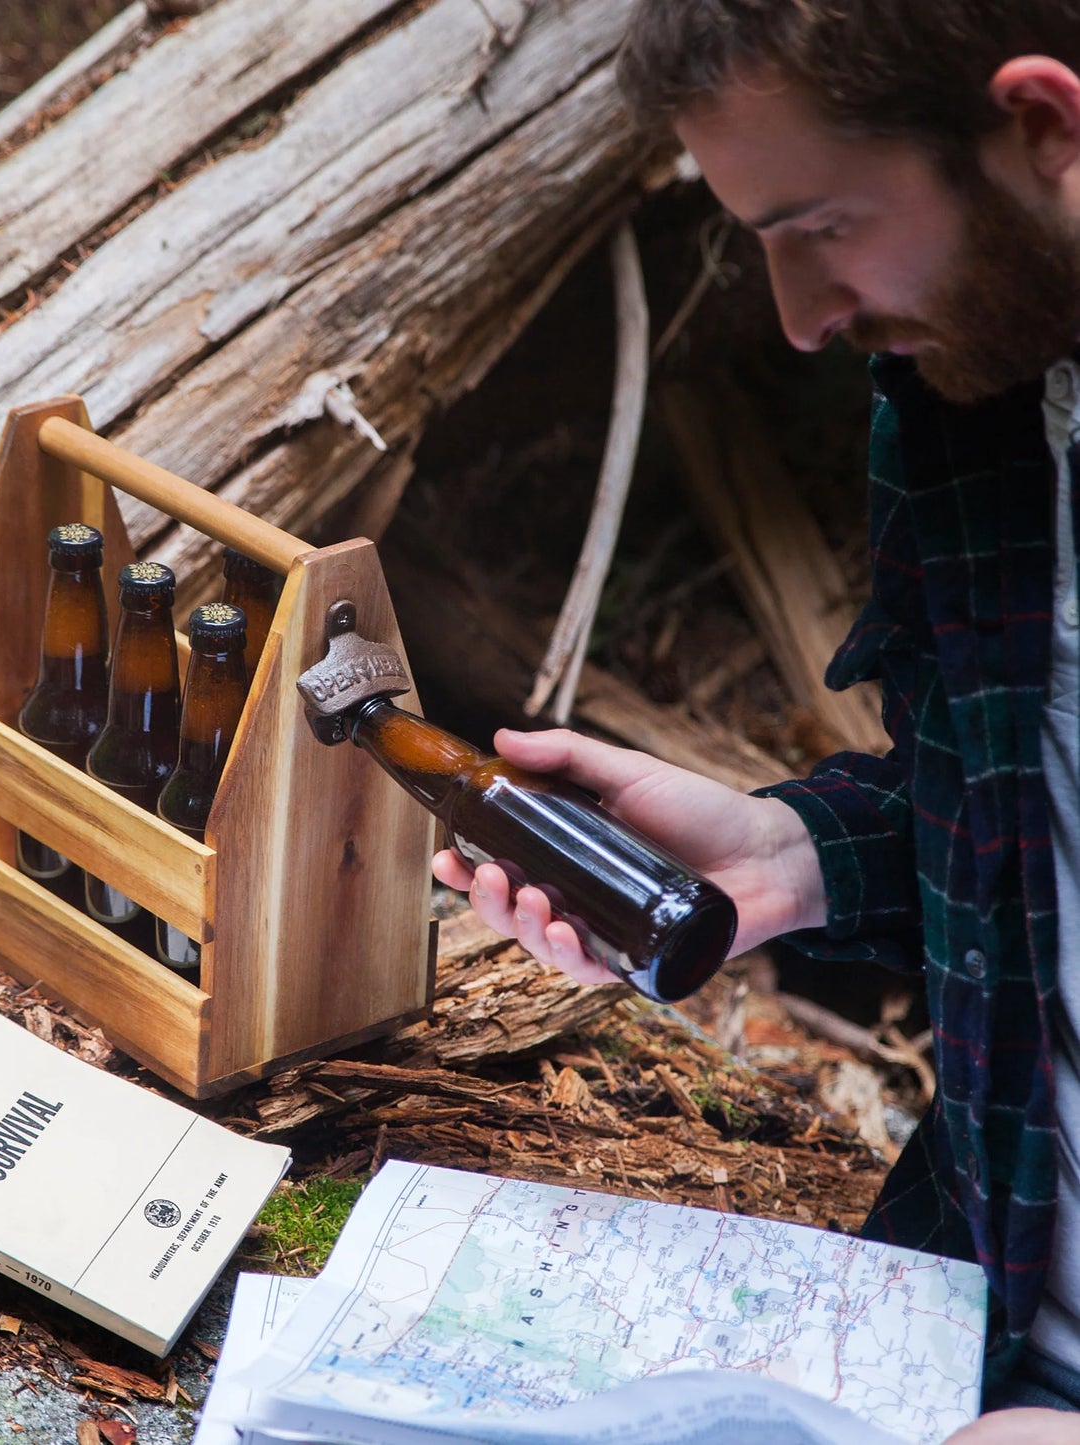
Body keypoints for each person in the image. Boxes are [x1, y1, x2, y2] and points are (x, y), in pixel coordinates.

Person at [435, 3, 1080, 1436]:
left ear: (1042, 125)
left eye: (824, 228)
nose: (799, 319)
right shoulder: (976, 380)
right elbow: (1021, 810)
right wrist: (788, 856)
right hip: (974, 1326)